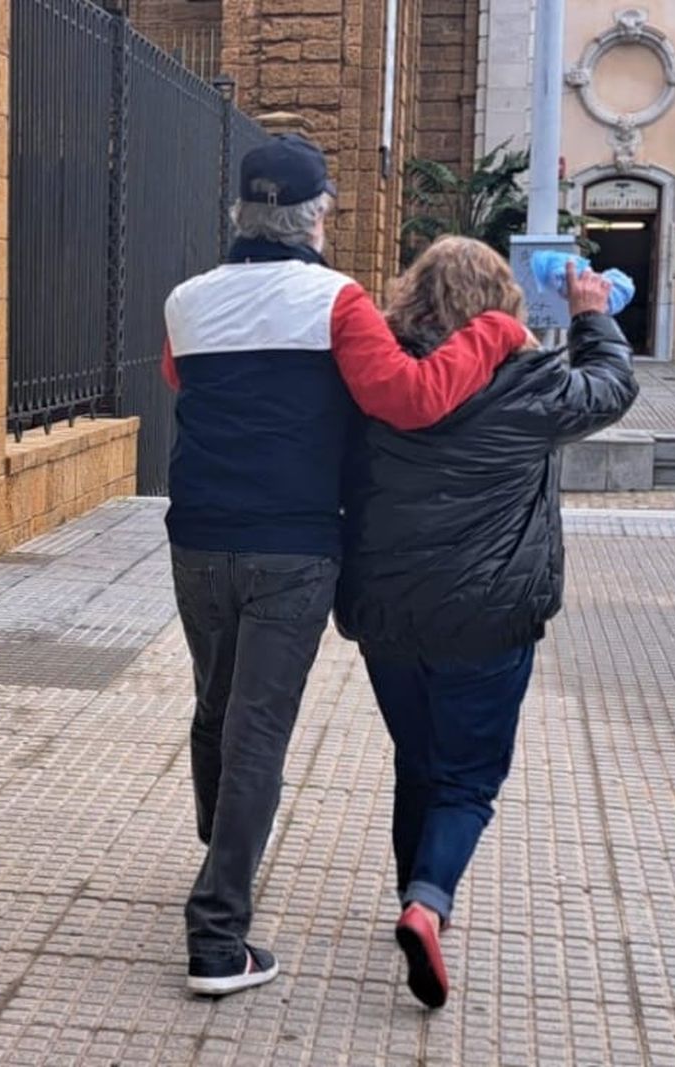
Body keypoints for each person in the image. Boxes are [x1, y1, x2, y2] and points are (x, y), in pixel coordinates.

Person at [159, 136, 532, 997]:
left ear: (241, 213)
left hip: (198, 539)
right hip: (291, 548)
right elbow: (411, 397)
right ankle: (217, 934)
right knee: (258, 731)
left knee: (216, 705)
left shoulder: (185, 299)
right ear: (317, 216)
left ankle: (225, 843)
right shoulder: (337, 301)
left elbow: (182, 379)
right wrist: (493, 331)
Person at [335, 237, 639, 1009]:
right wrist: (592, 316)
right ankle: (427, 901)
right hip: (490, 615)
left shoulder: (378, 377)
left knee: (417, 757)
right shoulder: (531, 382)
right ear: (502, 301)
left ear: (413, 295)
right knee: (467, 777)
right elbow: (611, 387)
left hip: (390, 610)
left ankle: (413, 892)